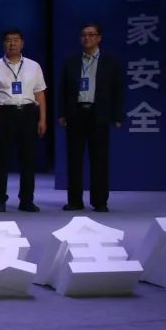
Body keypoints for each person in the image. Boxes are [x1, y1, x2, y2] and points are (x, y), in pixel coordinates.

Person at [58, 23, 125, 213]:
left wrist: (117, 115)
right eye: (84, 35)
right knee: (74, 159)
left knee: (99, 159)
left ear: (99, 38)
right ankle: (75, 201)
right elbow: (62, 90)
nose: (87, 38)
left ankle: (100, 201)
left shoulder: (110, 62)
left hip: (99, 113)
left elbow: (118, 90)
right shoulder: (71, 61)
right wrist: (62, 113)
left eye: (91, 34)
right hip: (76, 113)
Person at [0, 28, 47, 213]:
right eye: (8, 40)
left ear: (22, 43)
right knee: (1, 159)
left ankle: (26, 200)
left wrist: (42, 119)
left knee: (28, 160)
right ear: (4, 44)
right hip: (3, 114)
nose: (12, 44)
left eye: (16, 40)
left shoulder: (34, 66)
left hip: (28, 114)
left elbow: (40, 94)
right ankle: (0, 200)